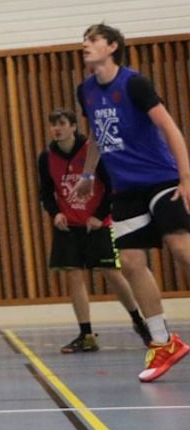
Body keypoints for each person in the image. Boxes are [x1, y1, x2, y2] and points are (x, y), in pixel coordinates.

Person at [74, 23, 190, 382]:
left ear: (112, 46)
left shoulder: (135, 84)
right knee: (130, 263)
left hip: (161, 178)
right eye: (84, 41)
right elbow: (96, 134)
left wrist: (186, 178)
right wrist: (89, 174)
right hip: (124, 190)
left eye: (92, 40)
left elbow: (169, 128)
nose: (85, 46)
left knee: (180, 247)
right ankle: (162, 341)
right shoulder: (86, 91)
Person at [37, 108, 150, 353]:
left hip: (97, 224)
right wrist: (55, 212)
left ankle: (139, 321)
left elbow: (111, 187)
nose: (56, 128)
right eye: (52, 124)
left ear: (73, 126)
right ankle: (86, 334)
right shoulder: (46, 157)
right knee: (73, 276)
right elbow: (46, 193)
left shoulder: (92, 152)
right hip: (69, 226)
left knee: (112, 273)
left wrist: (99, 216)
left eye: (62, 123)